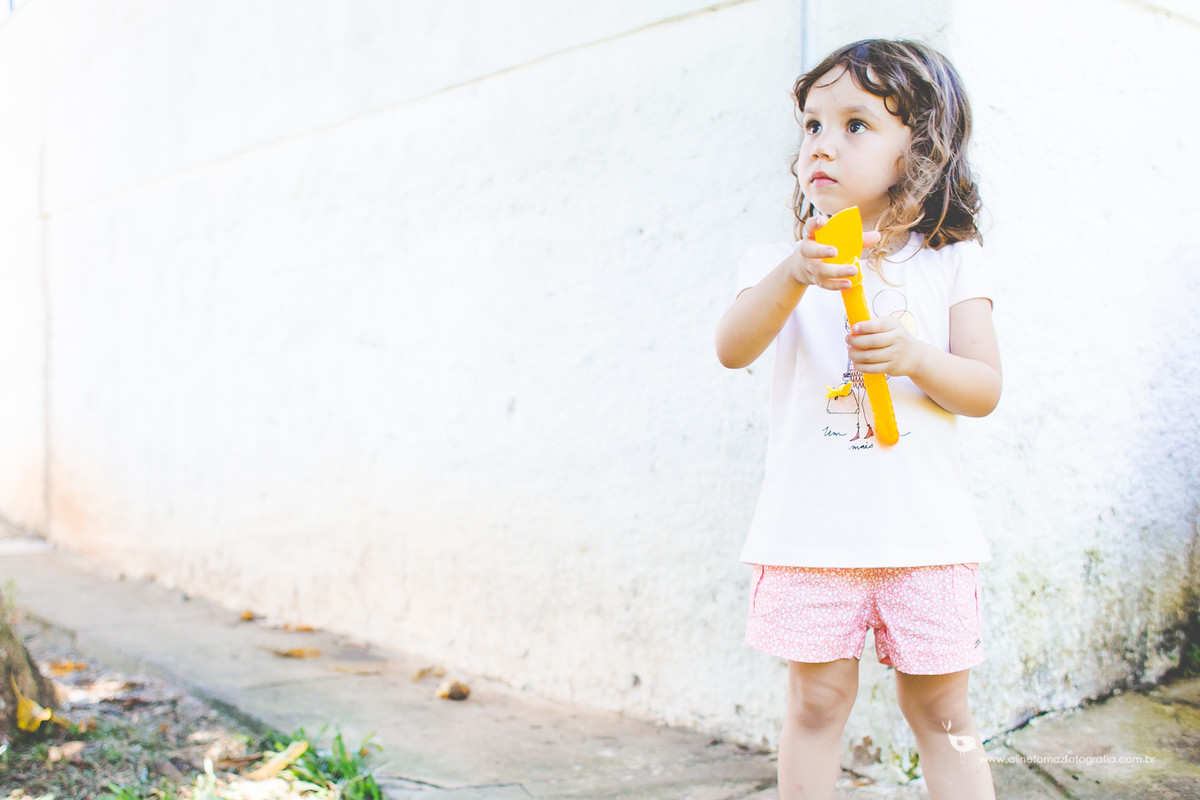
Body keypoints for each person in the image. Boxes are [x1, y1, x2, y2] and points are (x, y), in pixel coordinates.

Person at [714, 39, 1001, 800]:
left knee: (946, 712)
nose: (823, 146)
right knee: (815, 701)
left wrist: (912, 357)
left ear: (920, 148)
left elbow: (982, 388)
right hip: (814, 537)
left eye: (855, 126)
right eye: (812, 126)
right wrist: (796, 272)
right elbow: (732, 347)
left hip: (926, 536)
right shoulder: (776, 263)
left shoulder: (950, 263)